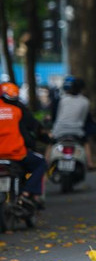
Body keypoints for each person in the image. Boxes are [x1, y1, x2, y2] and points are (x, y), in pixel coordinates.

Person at [0, 82, 50, 210]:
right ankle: (26, 193)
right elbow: (28, 133)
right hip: (16, 154)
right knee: (41, 163)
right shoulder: (17, 111)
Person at [50, 76, 96, 170]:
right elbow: (83, 118)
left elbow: (58, 116)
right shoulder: (85, 101)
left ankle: (46, 164)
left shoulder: (63, 99)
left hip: (59, 130)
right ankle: (89, 163)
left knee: (51, 143)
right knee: (86, 143)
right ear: (82, 89)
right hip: (76, 131)